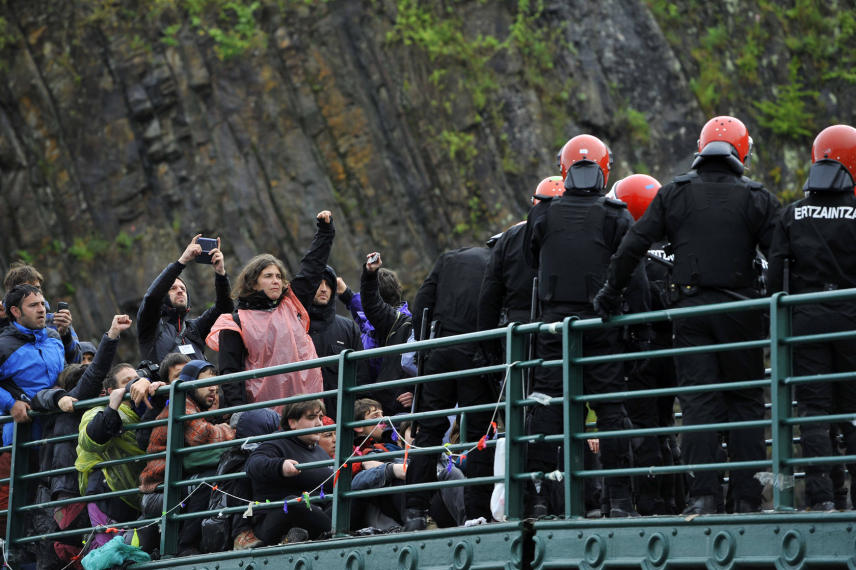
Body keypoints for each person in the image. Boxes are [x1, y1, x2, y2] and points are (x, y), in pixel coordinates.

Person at [595, 116, 781, 515]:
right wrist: (773, 302)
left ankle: (703, 497)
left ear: (701, 149)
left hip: (690, 312)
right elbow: (780, 256)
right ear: (741, 153)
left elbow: (633, 245)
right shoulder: (756, 197)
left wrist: (610, 293)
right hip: (741, 311)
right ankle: (747, 499)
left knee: (699, 402)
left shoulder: (675, 193)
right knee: (746, 402)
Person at [525, 134, 643, 518]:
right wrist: (640, 330)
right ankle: (620, 501)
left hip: (554, 330)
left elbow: (530, 258)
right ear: (604, 170)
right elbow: (635, 276)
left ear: (564, 170)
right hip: (602, 327)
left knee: (546, 408)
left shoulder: (542, 214)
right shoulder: (616, 215)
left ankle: (538, 499)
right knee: (610, 411)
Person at [767, 124, 856, 511]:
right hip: (851, 319)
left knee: (814, 411)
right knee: (853, 409)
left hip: (805, 322)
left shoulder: (792, 214)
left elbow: (774, 277)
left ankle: (823, 500)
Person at [207, 211, 334, 409]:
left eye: (278, 276)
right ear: (253, 283)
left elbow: (312, 268)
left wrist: (325, 231)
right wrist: (239, 413)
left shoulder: (292, 304)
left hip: (308, 408)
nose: (275, 281)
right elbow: (230, 373)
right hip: (264, 413)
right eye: (268, 276)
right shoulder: (235, 323)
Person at [405, 245, 494, 530]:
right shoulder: (496, 262)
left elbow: (422, 303)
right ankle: (477, 510)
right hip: (476, 351)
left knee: (429, 430)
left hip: (440, 350)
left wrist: (424, 348)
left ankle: (415, 510)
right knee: (480, 431)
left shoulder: (449, 259)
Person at [608, 174, 681, 515]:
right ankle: (675, 497)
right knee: (666, 424)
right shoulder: (674, 252)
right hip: (675, 353)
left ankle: (651, 502)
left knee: (643, 426)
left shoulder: (631, 255)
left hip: (640, 354)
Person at [139, 360, 236, 555]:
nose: (213, 389)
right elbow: (202, 434)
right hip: (158, 491)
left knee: (213, 476)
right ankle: (185, 546)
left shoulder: (194, 407)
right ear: (190, 384)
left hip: (174, 484)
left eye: (215, 385)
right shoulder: (181, 404)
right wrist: (229, 429)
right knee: (205, 482)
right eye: (206, 384)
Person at [75, 363, 148, 548]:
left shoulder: (145, 411)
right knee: (110, 553)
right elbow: (90, 440)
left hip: (136, 496)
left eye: (136, 380)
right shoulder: (97, 410)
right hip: (106, 494)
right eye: (126, 382)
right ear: (111, 391)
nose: (133, 385)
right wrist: (112, 407)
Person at [245, 399, 335, 545]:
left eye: (320, 418)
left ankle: (329, 531)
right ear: (292, 422)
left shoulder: (319, 451)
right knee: (295, 502)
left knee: (354, 495)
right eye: (312, 417)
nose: (319, 423)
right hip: (276, 519)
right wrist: (280, 466)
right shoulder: (276, 443)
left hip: (319, 513)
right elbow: (253, 465)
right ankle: (335, 531)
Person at [137, 235, 233, 364]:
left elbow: (225, 307)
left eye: (183, 288)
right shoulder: (151, 326)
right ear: (163, 296)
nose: (180, 290)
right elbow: (152, 298)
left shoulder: (194, 329)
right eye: (173, 288)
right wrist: (182, 260)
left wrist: (220, 272)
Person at [357, 254, 415, 416]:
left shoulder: (393, 322)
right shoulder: (411, 322)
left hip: (394, 404)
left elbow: (371, 305)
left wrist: (369, 275)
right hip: (388, 402)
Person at [308, 265, 368, 419]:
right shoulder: (294, 326)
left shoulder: (348, 328)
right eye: (319, 284)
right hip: (306, 417)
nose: (324, 289)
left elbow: (361, 376)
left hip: (342, 417)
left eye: (328, 285)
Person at [2, 262, 82, 363]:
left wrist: (65, 336)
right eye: (28, 289)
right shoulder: (5, 327)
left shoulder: (56, 321)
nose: (35, 293)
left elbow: (77, 361)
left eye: (37, 288)